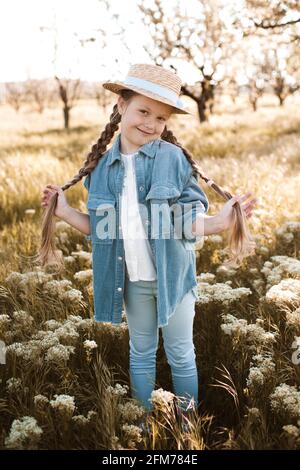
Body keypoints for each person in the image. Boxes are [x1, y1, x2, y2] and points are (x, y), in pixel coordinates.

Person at [39, 63, 257, 414]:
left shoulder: (173, 160)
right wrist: (64, 212)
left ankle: (188, 427)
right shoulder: (100, 169)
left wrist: (217, 223)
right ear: (121, 106)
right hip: (134, 282)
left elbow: (185, 219)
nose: (150, 123)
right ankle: (140, 425)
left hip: (174, 278)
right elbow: (101, 229)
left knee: (181, 353)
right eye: (143, 111)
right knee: (140, 353)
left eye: (160, 118)